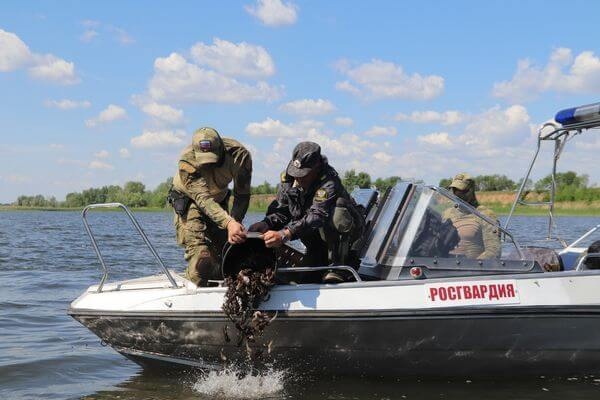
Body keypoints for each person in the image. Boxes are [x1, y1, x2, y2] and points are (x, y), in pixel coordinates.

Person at [248, 142, 363, 282]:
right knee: (307, 278)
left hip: (343, 237)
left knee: (337, 212)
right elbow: (282, 210)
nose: (298, 178)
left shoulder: (329, 181)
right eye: (296, 173)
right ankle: (316, 258)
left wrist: (285, 234)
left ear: (317, 168)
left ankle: (339, 267)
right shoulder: (289, 179)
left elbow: (317, 215)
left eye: (304, 175)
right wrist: (266, 223)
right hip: (312, 238)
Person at [169, 127, 252, 286]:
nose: (209, 165)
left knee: (226, 253)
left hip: (219, 200)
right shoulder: (187, 160)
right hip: (189, 199)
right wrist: (229, 223)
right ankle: (192, 284)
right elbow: (203, 198)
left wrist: (236, 222)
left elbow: (242, 194)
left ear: (221, 147)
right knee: (203, 258)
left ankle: (219, 290)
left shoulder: (239, 155)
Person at [443, 173, 501, 260]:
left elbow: (494, 251)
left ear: (471, 191)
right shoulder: (447, 213)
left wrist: (472, 265)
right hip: (443, 265)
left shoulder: (485, 214)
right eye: (454, 190)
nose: (457, 194)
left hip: (471, 269)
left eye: (462, 191)